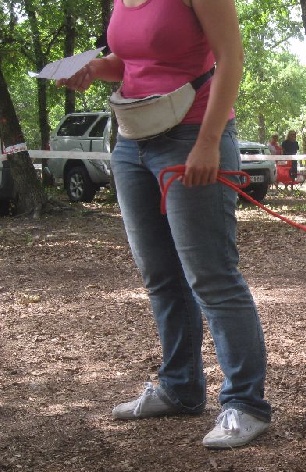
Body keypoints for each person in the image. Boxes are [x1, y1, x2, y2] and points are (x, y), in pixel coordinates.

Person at [56, 0, 272, 449]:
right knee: (160, 275)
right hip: (131, 141)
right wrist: (95, 70)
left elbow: (231, 57)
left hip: (192, 135)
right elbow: (134, 61)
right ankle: (180, 387)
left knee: (211, 275)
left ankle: (245, 404)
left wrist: (210, 142)